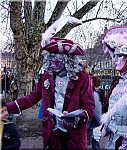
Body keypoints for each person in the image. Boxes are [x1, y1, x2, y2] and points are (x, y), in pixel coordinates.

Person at [5, 18, 95, 149]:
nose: (53, 64)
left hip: (73, 134)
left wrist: (76, 117)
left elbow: (89, 107)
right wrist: (7, 107)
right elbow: (31, 98)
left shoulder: (83, 78)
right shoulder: (46, 76)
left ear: (68, 61)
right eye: (51, 60)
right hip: (52, 132)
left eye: (57, 61)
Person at [87, 76, 103, 150]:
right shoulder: (95, 94)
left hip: (88, 122)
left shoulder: (89, 92)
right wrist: (100, 122)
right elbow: (97, 111)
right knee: (94, 140)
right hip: (92, 123)